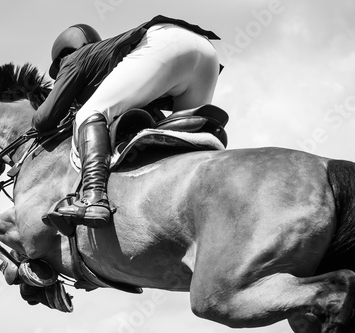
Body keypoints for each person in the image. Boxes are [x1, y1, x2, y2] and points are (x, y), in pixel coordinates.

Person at [32, 15, 222, 229]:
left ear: (62, 56)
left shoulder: (74, 58)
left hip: (167, 42)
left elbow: (44, 119)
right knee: (185, 144)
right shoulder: (113, 61)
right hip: (207, 54)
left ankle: (94, 198)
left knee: (88, 114)